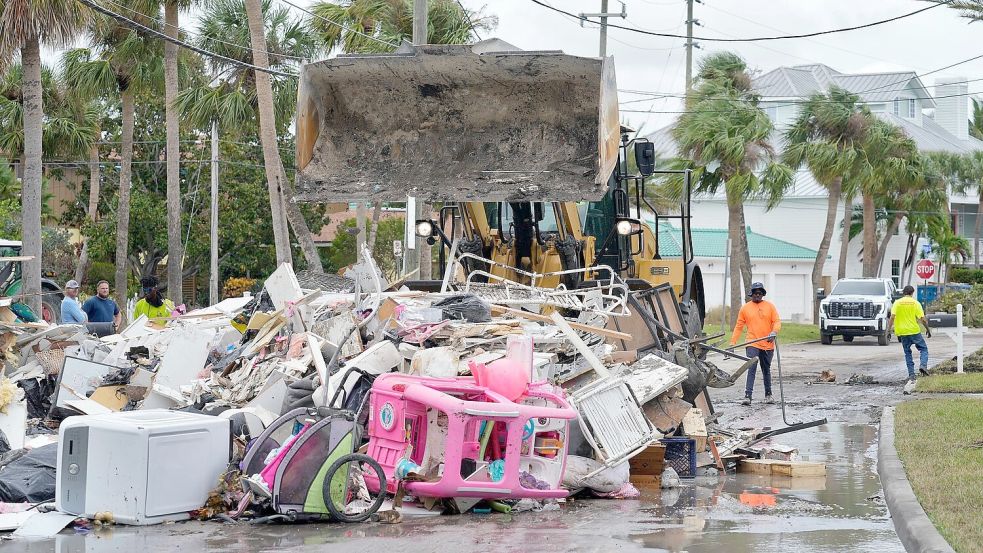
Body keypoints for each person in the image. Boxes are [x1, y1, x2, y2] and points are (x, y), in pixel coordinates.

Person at [730, 281, 782, 406]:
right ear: (751, 294)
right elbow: (738, 327)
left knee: (766, 369)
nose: (757, 295)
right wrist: (732, 343)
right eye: (755, 293)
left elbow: (777, 322)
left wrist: (774, 332)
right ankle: (748, 396)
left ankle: (768, 395)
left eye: (759, 293)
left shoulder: (770, 306)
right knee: (751, 367)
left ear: (763, 294)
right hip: (752, 342)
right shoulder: (745, 308)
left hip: (767, 343)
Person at [887, 285, 931, 384]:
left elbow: (892, 317)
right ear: (912, 293)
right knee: (923, 349)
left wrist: (888, 330)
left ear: (903, 293)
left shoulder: (897, 303)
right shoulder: (916, 303)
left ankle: (911, 375)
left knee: (908, 353)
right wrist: (928, 330)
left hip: (902, 332)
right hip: (914, 331)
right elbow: (923, 319)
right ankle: (923, 366)